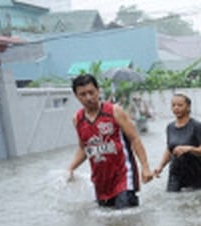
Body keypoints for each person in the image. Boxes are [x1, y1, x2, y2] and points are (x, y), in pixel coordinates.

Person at [66, 73, 153, 208]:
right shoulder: (77, 119)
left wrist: (145, 167)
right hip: (100, 182)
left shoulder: (114, 111)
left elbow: (135, 139)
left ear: (98, 90)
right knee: (107, 223)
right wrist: (70, 169)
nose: (88, 98)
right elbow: (83, 148)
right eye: (83, 94)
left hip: (123, 176)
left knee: (125, 217)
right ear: (76, 96)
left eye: (91, 92)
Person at [153, 93, 201, 191]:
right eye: (173, 105)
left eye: (180, 105)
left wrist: (189, 149)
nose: (176, 108)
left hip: (195, 173)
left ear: (188, 107)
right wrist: (160, 166)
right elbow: (169, 149)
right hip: (175, 172)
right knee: (173, 199)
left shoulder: (197, 126)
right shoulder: (170, 127)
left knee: (195, 201)